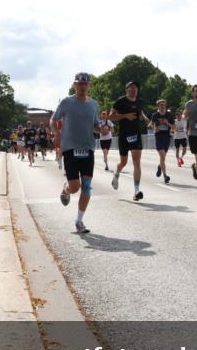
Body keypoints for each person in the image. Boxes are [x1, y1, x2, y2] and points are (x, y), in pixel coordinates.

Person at [52, 72, 100, 234]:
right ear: (75, 85)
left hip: (88, 148)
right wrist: (56, 134)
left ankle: (79, 221)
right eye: (80, 84)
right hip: (70, 148)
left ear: (89, 85)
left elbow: (96, 125)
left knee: (86, 187)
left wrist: (102, 129)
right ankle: (66, 190)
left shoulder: (94, 104)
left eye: (85, 84)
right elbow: (53, 119)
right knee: (74, 187)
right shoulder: (67, 102)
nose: (82, 86)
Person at [109, 80, 152, 201]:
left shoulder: (139, 102)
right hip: (124, 135)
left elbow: (140, 113)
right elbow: (111, 116)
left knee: (137, 162)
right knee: (123, 162)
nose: (134, 89)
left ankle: (136, 191)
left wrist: (146, 119)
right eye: (131, 87)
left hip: (136, 135)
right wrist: (125, 116)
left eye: (136, 88)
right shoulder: (120, 101)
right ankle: (116, 174)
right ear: (126, 89)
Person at [151, 99, 175, 184]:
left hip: (167, 137)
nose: (162, 106)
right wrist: (155, 129)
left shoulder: (169, 115)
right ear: (158, 106)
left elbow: (174, 127)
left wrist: (167, 123)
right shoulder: (155, 115)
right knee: (162, 156)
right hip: (158, 137)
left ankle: (160, 166)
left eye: (164, 105)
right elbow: (152, 125)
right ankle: (165, 176)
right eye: (161, 105)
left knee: (163, 158)